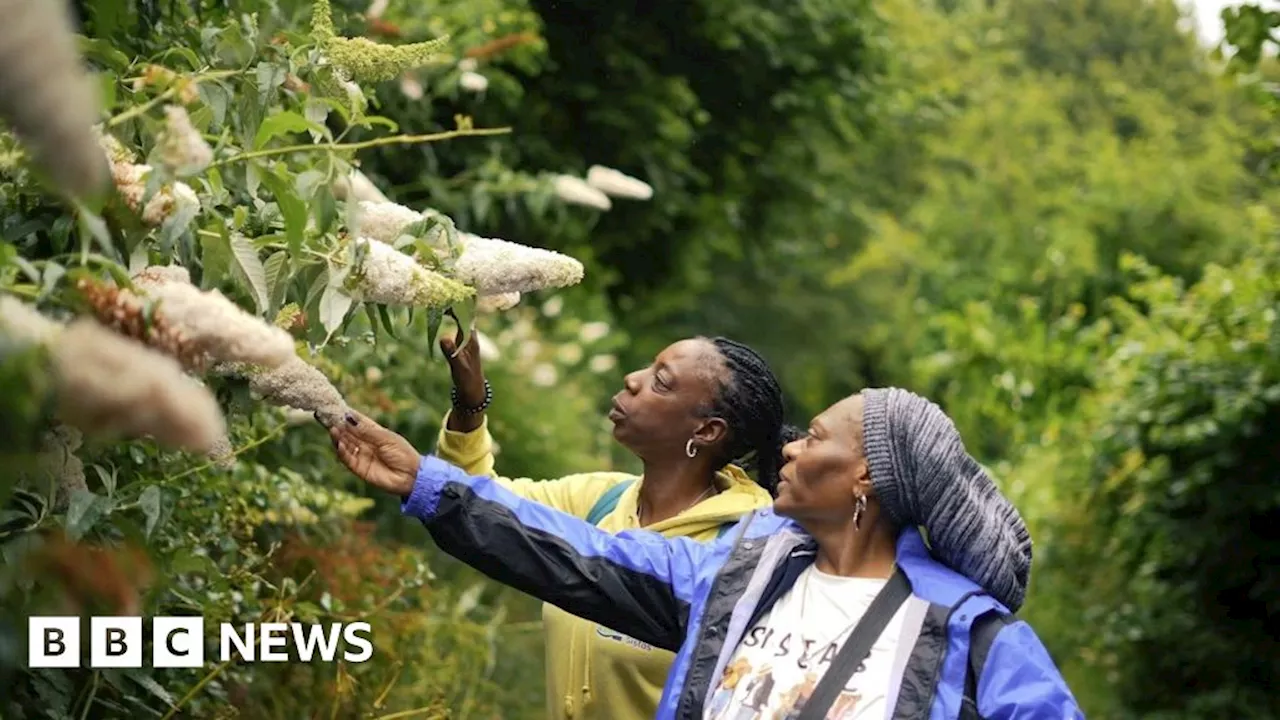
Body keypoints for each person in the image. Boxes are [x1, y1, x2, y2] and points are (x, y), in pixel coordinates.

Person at [321, 387, 1084, 719]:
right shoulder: (740, 572)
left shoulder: (978, 644)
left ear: (866, 478)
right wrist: (429, 482)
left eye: (815, 437)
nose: (789, 447)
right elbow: (577, 554)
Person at [426, 323, 796, 720]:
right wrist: (470, 403)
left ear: (705, 430)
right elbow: (474, 499)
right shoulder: (601, 501)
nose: (632, 380)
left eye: (661, 382)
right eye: (648, 368)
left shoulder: (742, 554)